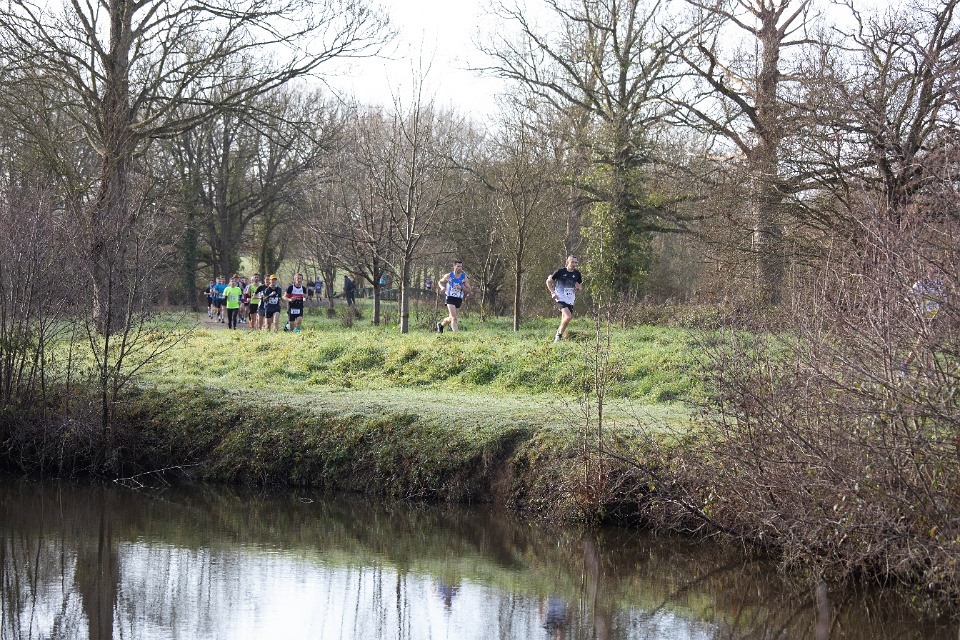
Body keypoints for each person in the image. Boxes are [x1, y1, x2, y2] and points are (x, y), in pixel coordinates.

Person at [900, 263, 946, 375]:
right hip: (923, 317)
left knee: (930, 342)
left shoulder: (940, 284)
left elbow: (944, 301)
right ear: (928, 269)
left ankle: (918, 367)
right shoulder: (921, 284)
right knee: (924, 341)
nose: (935, 271)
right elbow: (908, 297)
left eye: (937, 269)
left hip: (935, 316)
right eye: (933, 268)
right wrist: (918, 300)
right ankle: (909, 365)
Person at [546, 255, 583, 342]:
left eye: (575, 262)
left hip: (570, 299)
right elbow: (548, 281)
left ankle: (557, 337)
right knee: (568, 317)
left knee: (565, 320)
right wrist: (552, 293)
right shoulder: (560, 272)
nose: (574, 264)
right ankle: (559, 336)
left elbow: (580, 286)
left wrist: (579, 287)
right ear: (567, 262)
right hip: (560, 298)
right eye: (572, 262)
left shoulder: (577, 274)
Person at [436, 260, 472, 333]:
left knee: (451, 318)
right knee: (454, 318)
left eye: (461, 267)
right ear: (454, 266)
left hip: (458, 298)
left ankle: (441, 325)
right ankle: (456, 335)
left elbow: (469, 290)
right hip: (450, 297)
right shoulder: (449, 276)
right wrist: (442, 288)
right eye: (458, 266)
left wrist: (461, 287)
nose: (460, 268)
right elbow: (440, 282)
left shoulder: (464, 278)